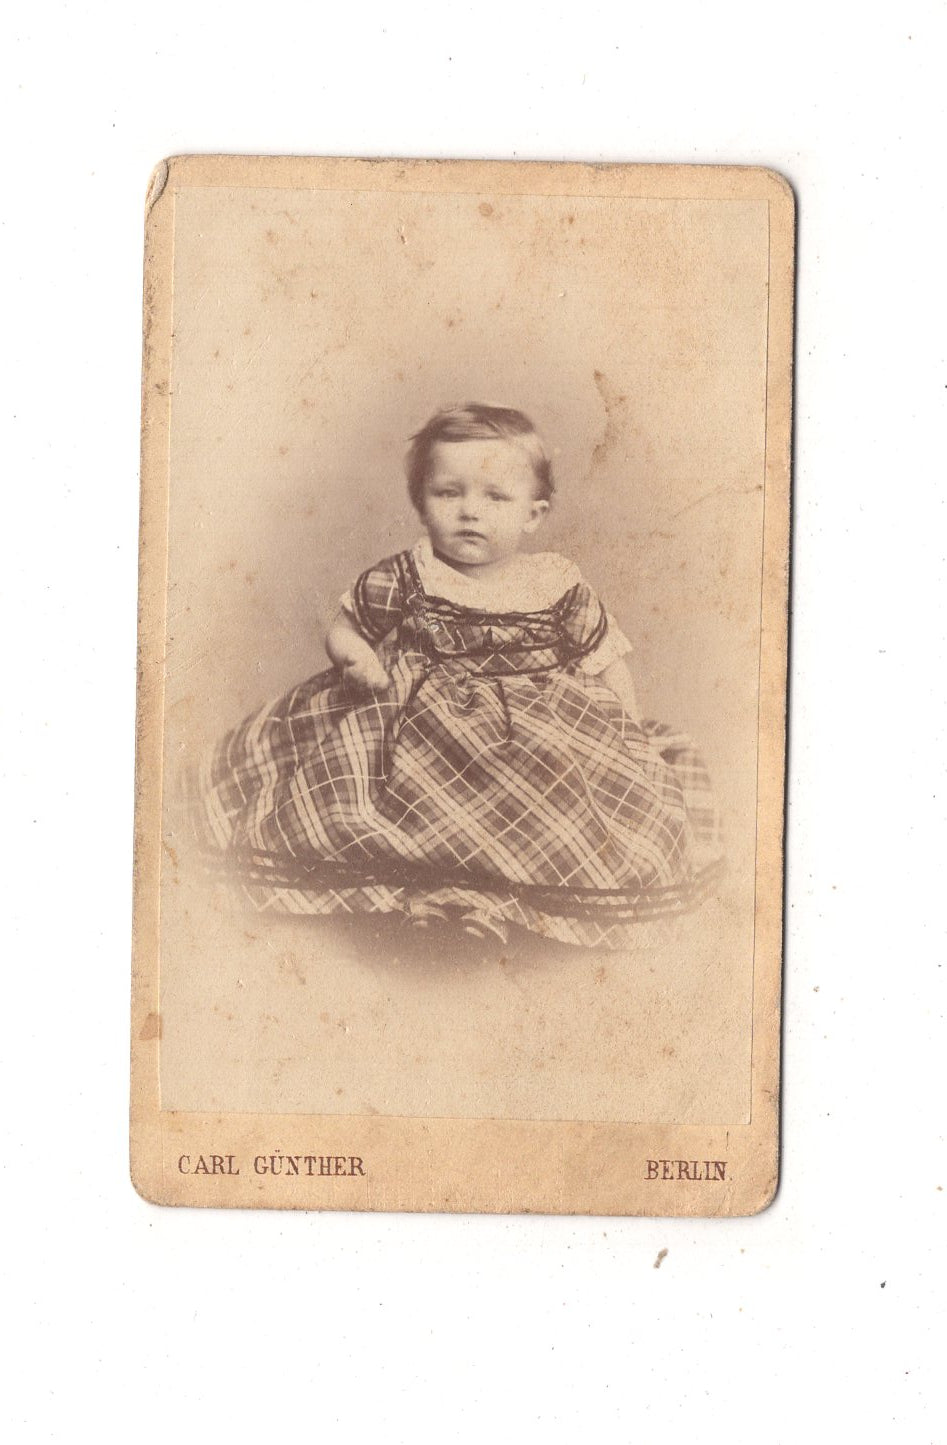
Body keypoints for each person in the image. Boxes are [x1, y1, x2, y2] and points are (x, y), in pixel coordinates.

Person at [196, 404, 722, 951]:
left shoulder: (556, 584)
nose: (470, 511)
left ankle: (499, 903)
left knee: (554, 809)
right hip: (424, 734)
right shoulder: (411, 573)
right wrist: (356, 659)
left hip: (535, 739)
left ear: (533, 514)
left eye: (495, 497)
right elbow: (346, 628)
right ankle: (425, 897)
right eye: (449, 493)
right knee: (370, 800)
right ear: (421, 503)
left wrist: (629, 733)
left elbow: (605, 658)